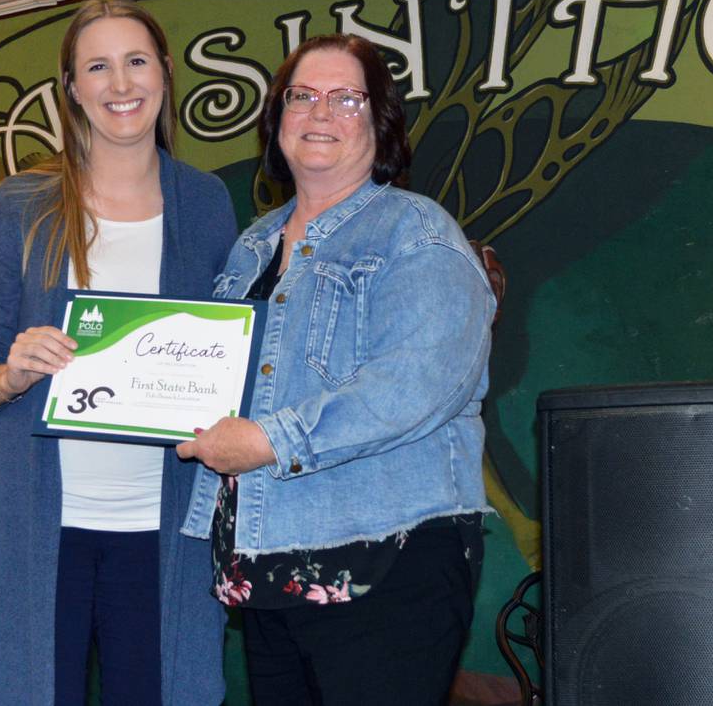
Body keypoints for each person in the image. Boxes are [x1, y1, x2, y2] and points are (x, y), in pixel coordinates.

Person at [176, 34, 497, 705]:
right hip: (267, 566)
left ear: (380, 124)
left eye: (346, 98)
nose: (319, 113)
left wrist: (268, 441)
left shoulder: (417, 233)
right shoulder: (253, 244)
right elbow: (214, 372)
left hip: (386, 561)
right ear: (277, 118)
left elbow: (416, 384)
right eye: (302, 96)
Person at [0, 0, 236, 706]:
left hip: (163, 530)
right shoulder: (22, 203)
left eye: (136, 60)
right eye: (97, 66)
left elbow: (229, 354)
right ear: (71, 87)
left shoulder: (206, 203)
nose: (120, 82)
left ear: (165, 73)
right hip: (40, 525)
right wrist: (10, 373)